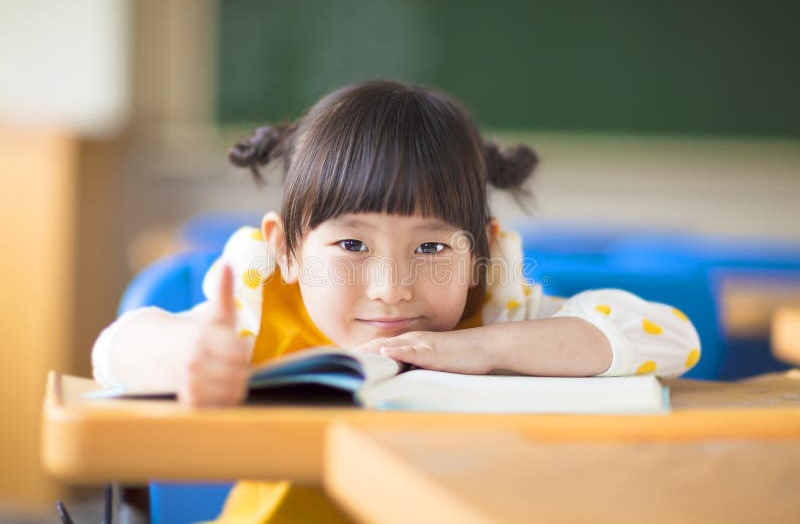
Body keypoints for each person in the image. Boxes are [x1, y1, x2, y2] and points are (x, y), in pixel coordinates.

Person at [91, 79, 701, 521]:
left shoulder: (495, 312)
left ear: (480, 252)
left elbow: (670, 336)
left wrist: (487, 348)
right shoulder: (256, 313)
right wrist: (188, 353)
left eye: (433, 248)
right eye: (353, 243)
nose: (392, 287)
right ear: (288, 249)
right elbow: (114, 350)